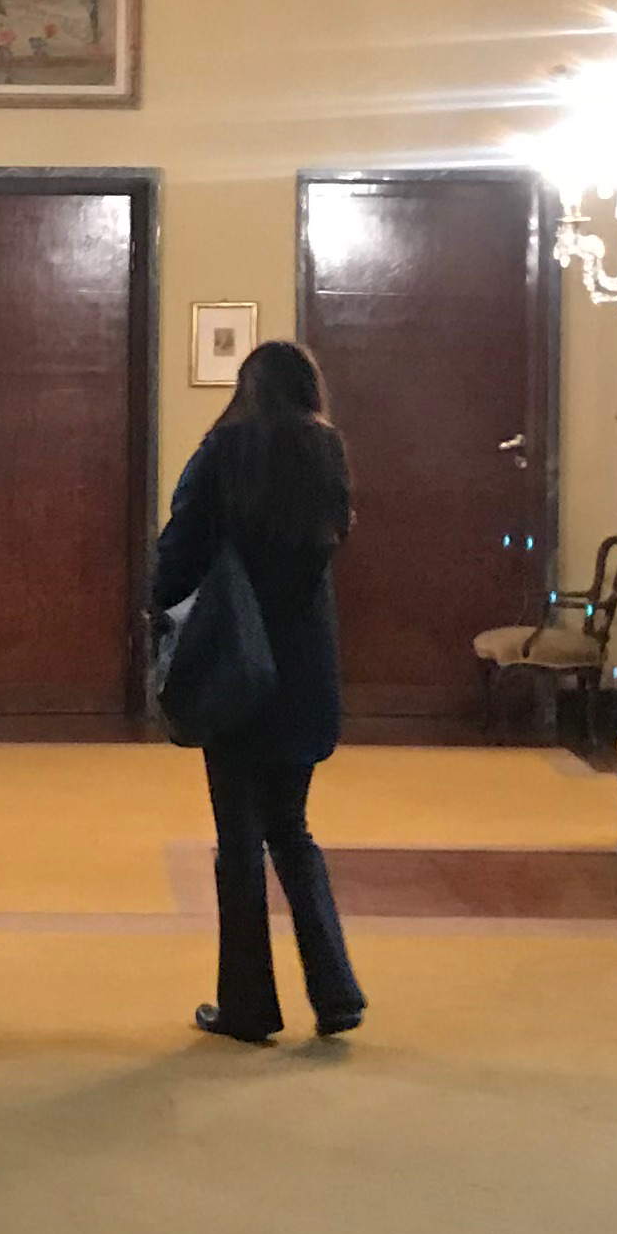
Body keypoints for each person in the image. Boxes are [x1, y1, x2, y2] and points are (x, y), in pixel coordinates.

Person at [151, 338, 364, 1045]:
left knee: (238, 842)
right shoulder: (327, 453)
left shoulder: (224, 451)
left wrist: (162, 613)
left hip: (234, 662)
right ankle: (335, 991)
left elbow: (178, 548)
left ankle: (248, 1005)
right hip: (304, 666)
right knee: (292, 831)